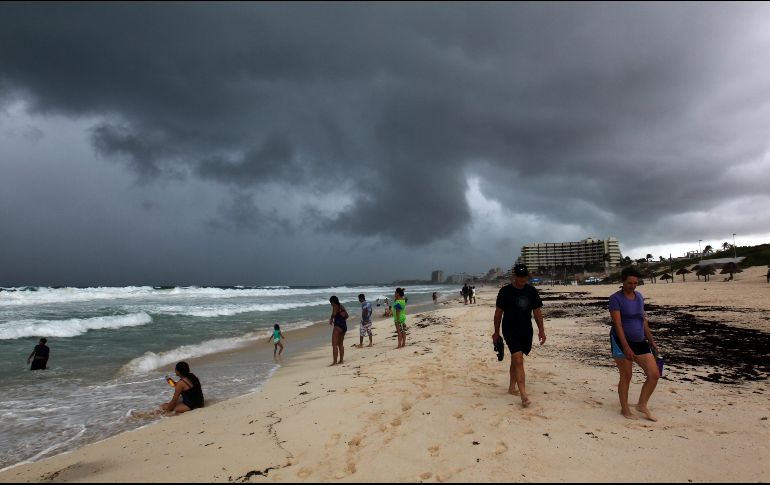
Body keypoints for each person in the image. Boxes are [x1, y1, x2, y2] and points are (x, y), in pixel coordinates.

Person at [609, 267, 660, 421]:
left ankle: (642, 404)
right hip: (620, 341)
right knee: (626, 375)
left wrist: (651, 340)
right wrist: (626, 347)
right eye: (630, 283)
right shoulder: (615, 298)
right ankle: (625, 409)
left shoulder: (639, 297)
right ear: (623, 281)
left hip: (640, 341)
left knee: (654, 374)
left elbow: (642, 320)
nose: (633, 285)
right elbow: (618, 325)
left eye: (635, 283)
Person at [492, 263, 546, 408]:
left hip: (526, 330)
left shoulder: (531, 291)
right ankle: (523, 394)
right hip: (510, 329)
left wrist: (541, 330)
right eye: (520, 277)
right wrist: (496, 332)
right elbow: (498, 314)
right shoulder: (505, 292)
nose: (522, 280)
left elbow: (537, 312)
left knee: (516, 359)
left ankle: (511, 387)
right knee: (518, 359)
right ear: (514, 276)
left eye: (524, 277)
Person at [328, 295, 348, 365]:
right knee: (340, 344)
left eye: (331, 303)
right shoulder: (341, 306)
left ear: (333, 302)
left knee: (334, 344)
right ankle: (341, 360)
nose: (331, 304)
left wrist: (331, 319)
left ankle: (335, 362)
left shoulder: (335, 306)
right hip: (344, 326)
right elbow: (347, 316)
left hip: (338, 326)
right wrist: (342, 319)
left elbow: (333, 314)